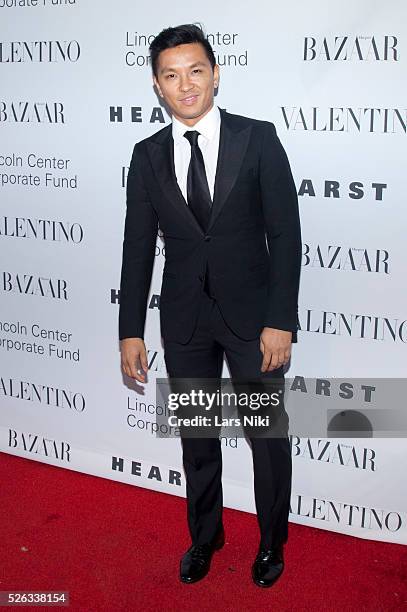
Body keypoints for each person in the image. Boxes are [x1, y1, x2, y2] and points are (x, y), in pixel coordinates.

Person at [119, 23, 302, 587]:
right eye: (171, 76)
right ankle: (205, 536)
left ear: (215, 74)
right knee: (197, 438)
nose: (186, 85)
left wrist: (280, 321)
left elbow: (286, 235)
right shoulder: (147, 155)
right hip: (185, 321)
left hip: (254, 323)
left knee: (266, 435)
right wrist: (130, 330)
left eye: (195, 71)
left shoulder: (258, 138)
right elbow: (136, 246)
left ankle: (272, 543)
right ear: (157, 86)